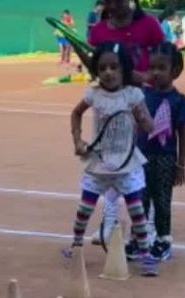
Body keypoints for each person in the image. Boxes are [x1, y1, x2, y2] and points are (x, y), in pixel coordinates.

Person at [67, 42, 159, 276]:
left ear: (124, 68)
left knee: (136, 210)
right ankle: (76, 246)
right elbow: (76, 113)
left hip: (127, 163)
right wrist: (77, 140)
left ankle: (146, 254)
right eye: (102, 68)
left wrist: (143, 119)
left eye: (114, 67)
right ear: (96, 71)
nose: (108, 72)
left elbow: (150, 127)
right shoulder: (94, 94)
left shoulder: (133, 95)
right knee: (84, 208)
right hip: (99, 162)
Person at [82, 0, 165, 246]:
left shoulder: (149, 25)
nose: (113, 5)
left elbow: (164, 60)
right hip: (111, 105)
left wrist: (146, 76)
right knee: (110, 163)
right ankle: (110, 222)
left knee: (142, 165)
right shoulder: (99, 31)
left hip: (142, 101)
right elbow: (96, 68)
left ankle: (148, 225)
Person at [126, 42, 185, 262]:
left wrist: (181, 165)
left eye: (161, 68)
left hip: (165, 159)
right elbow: (134, 125)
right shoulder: (142, 95)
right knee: (140, 199)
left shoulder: (180, 101)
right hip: (141, 157)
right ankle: (138, 238)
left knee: (162, 200)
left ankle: (163, 240)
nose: (155, 73)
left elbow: (183, 135)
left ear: (175, 71)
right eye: (152, 67)